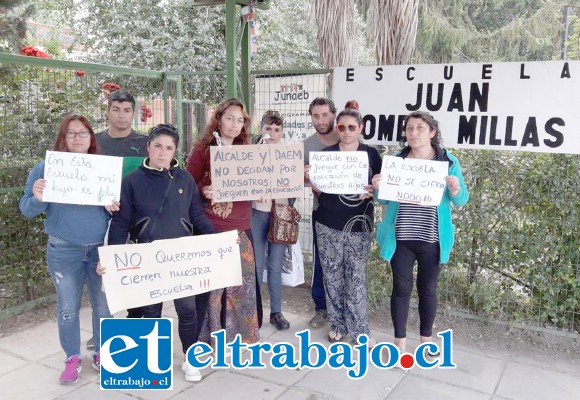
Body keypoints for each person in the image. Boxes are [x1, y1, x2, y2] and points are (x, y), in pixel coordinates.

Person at [104, 123, 215, 382]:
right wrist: (113, 256)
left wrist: (216, 240)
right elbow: (120, 223)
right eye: (158, 146)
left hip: (180, 258)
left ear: (175, 150)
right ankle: (153, 359)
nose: (163, 153)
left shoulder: (185, 179)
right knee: (151, 311)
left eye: (169, 148)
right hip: (148, 259)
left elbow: (197, 215)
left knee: (187, 311)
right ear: (148, 147)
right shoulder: (131, 181)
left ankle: (190, 358)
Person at [19, 114, 114, 384]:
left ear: (90, 138)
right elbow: (25, 209)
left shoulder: (102, 170)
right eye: (71, 133)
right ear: (62, 137)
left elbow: (116, 215)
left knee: (103, 307)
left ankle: (102, 354)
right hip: (64, 250)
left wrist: (113, 208)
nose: (77, 138)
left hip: (100, 250)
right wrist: (38, 199)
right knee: (68, 308)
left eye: (83, 133)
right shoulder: (45, 169)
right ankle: (72, 357)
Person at [372, 111, 469, 355]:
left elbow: (461, 200)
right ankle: (399, 343)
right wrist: (377, 187)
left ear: (432, 132)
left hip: (432, 238)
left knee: (428, 289)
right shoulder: (396, 161)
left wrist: (455, 189)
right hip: (401, 238)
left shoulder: (448, 161)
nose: (413, 133)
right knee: (401, 289)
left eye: (420, 128)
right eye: (410, 128)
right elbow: (383, 200)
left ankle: (427, 340)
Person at [186, 98, 260, 345]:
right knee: (212, 288)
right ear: (218, 119)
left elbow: (259, 181)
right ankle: (210, 337)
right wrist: (203, 189)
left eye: (240, 120)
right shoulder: (202, 151)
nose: (235, 124)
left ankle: (240, 336)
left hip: (241, 229)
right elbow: (187, 184)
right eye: (230, 118)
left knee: (241, 286)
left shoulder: (249, 153)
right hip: (212, 228)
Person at [307, 103, 381, 344]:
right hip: (327, 222)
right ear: (337, 129)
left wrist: (375, 189)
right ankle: (338, 324)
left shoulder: (371, 154)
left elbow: (381, 190)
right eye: (342, 127)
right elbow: (317, 190)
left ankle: (360, 329)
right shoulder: (325, 156)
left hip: (359, 226)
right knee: (331, 276)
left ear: (360, 128)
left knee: (356, 277)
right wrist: (312, 180)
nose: (347, 131)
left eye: (352, 126)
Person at [89, 89, 149, 350]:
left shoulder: (147, 142)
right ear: (108, 112)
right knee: (102, 276)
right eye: (116, 109)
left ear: (134, 113)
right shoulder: (95, 143)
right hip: (100, 219)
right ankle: (102, 329)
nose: (122, 115)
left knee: (134, 272)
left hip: (137, 221)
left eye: (127, 110)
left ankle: (134, 324)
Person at [251, 110, 291, 331]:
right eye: (268, 128)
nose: (273, 133)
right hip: (257, 213)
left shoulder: (289, 154)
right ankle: (254, 311)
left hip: (281, 215)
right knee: (256, 264)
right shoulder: (251, 153)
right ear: (261, 130)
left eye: (277, 129)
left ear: (282, 132)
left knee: (275, 265)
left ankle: (276, 311)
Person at [303, 97, 339, 328]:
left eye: (325, 114)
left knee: (347, 265)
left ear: (334, 114)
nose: (321, 120)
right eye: (316, 116)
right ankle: (321, 308)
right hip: (322, 211)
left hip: (350, 214)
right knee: (320, 262)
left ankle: (343, 310)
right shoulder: (307, 146)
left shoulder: (349, 138)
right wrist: (306, 178)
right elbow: (294, 177)